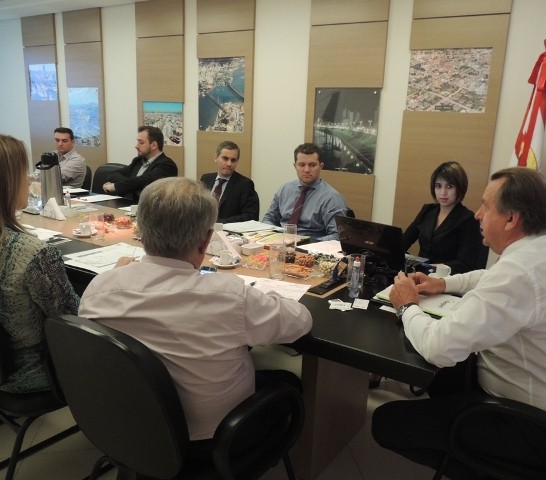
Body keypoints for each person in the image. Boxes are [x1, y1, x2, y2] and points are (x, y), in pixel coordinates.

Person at [371, 167, 546, 478]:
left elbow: (438, 347)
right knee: (441, 378)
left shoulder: (521, 272)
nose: (478, 215)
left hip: (537, 430)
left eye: (486, 206)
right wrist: (444, 283)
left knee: (386, 422)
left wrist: (407, 305)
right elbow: (491, 276)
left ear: (511, 219)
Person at [79, 177, 312, 443]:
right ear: (206, 241)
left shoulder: (98, 289)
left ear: (141, 228)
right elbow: (300, 321)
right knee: (287, 382)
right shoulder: (230, 297)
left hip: (130, 425)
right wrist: (265, 295)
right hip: (215, 439)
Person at [0, 134, 79, 393]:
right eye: (23, 173)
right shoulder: (33, 252)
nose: (28, 180)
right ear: (7, 183)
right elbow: (75, 318)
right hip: (33, 373)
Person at [403, 161, 487, 274]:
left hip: (445, 279)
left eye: (449, 186)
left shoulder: (468, 219)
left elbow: (465, 264)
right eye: (438, 186)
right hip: (418, 275)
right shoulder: (427, 210)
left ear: (460, 188)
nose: (443, 192)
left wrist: (428, 267)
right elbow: (404, 241)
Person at [263, 142, 349, 241]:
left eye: (312, 165)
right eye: (302, 165)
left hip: (311, 246)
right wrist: (272, 237)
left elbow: (337, 236)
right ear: (295, 166)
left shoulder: (332, 198)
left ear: (321, 166)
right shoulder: (285, 189)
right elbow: (269, 218)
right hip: (280, 243)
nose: (307, 170)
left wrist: (304, 243)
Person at [102, 126, 177, 202]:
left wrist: (115, 186)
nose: (136, 146)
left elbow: (145, 180)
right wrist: (132, 186)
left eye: (141, 142)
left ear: (153, 145)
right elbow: (113, 175)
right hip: (128, 206)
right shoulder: (138, 161)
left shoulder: (167, 166)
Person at [200, 140, 259, 223]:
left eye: (233, 160)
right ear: (216, 158)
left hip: (227, 229)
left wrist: (220, 223)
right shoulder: (206, 179)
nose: (229, 164)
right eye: (225, 158)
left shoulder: (245, 184)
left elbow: (251, 216)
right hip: (203, 227)